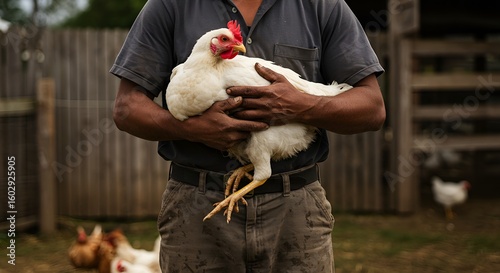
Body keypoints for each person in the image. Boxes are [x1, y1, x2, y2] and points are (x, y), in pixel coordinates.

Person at [110, 0, 385, 272]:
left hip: (296, 210)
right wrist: (187, 129)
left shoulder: (323, 6)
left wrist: (301, 105)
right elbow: (126, 108)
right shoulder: (170, 5)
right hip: (195, 210)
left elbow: (372, 108)